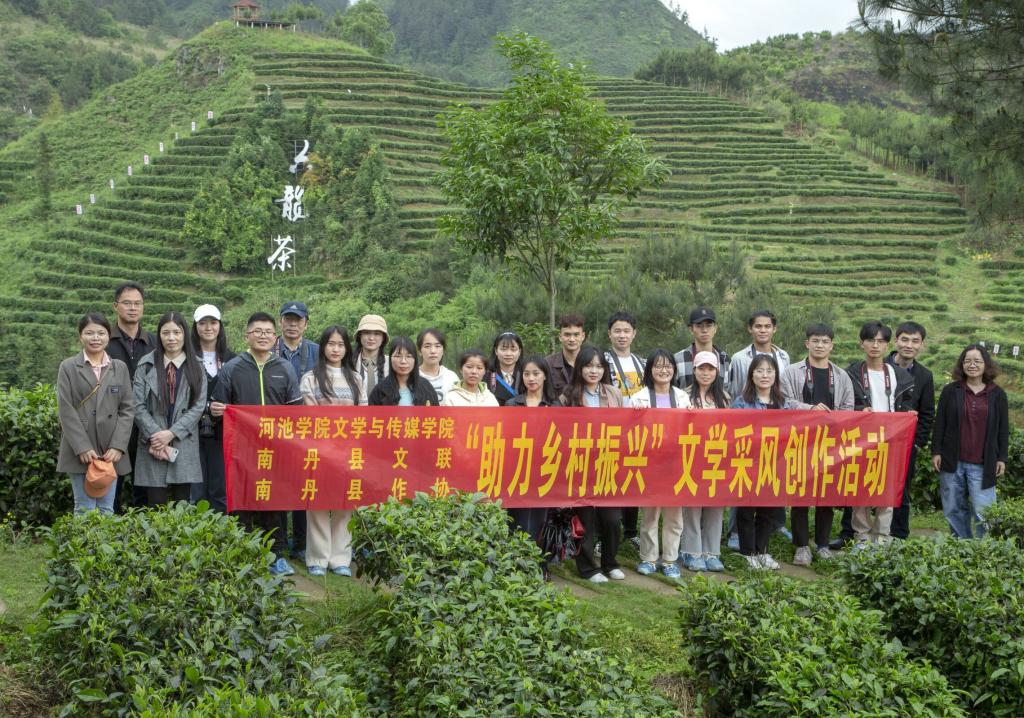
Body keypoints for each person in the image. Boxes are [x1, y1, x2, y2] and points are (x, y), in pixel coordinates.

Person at [210, 312, 302, 576]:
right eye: (257, 331)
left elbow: (295, 412)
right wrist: (215, 411)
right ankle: (244, 553)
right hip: (243, 450)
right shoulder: (232, 368)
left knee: (275, 500)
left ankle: (277, 555)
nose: (263, 336)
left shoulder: (284, 368)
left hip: (276, 449)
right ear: (246, 336)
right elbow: (218, 407)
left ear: (275, 337)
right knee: (244, 499)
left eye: (268, 332)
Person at [780, 323, 855, 565]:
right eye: (815, 341)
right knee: (800, 497)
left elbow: (848, 409)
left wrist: (833, 418)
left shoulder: (841, 376)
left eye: (825, 342)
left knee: (827, 496)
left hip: (831, 444)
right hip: (800, 442)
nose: (820, 345)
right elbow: (784, 402)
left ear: (831, 345)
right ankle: (801, 546)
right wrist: (809, 409)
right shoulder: (792, 372)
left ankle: (823, 544)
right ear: (807, 343)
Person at [842, 321, 914, 548]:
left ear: (887, 345)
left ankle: (882, 537)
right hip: (861, 440)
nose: (875, 345)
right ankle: (862, 536)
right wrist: (859, 411)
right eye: (870, 340)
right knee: (860, 489)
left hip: (891, 440)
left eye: (880, 341)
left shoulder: (899, 375)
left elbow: (905, 405)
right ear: (861, 344)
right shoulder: (851, 373)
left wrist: (908, 415)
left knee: (887, 490)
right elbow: (844, 406)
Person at [558, 345, 628, 584]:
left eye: (598, 366)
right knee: (585, 518)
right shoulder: (568, 396)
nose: (594, 371)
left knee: (612, 519)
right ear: (580, 368)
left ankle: (610, 563)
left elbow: (625, 424)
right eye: (589, 366)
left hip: (608, 463)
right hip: (580, 465)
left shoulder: (613, 393)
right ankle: (588, 567)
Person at [299, 326, 363, 577]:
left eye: (340, 344)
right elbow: (310, 415)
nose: (335, 349)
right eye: (331, 344)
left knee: (345, 503)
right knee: (316, 502)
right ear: (323, 346)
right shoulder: (310, 378)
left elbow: (363, 417)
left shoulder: (356, 379)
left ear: (347, 348)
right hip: (320, 450)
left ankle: (340, 558)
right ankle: (317, 557)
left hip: (348, 451)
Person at [56, 313, 134, 514]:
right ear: (80, 336)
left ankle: (102, 540)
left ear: (108, 336)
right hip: (81, 449)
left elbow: (127, 409)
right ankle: (84, 540)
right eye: (89, 333)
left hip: (110, 450)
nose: (95, 338)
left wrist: (118, 446)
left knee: (107, 508)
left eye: (101, 333)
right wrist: (82, 447)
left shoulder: (119, 368)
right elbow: (66, 409)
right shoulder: (68, 367)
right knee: (84, 508)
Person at [932, 344, 1009, 539]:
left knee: (985, 512)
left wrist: (1002, 457)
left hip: (983, 463)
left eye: (977, 361)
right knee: (954, 509)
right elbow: (940, 423)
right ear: (962, 364)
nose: (972, 365)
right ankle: (962, 546)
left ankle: (984, 549)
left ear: (986, 364)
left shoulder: (997, 394)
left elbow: (1003, 429)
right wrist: (936, 451)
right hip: (952, 460)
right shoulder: (951, 391)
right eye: (967, 361)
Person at [132, 312, 207, 506]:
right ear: (159, 335)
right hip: (153, 443)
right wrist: (156, 435)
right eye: (166, 333)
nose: (171, 338)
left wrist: (172, 433)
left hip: (184, 441)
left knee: (182, 504)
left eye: (177, 332)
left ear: (184, 334)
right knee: (155, 504)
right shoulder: (146, 364)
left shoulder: (196, 366)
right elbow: (137, 405)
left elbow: (198, 406)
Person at [731, 354, 796, 570]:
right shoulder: (741, 402)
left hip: (774, 463)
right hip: (748, 462)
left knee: (768, 510)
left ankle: (763, 551)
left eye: (769, 371)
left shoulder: (783, 403)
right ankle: (748, 552)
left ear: (776, 374)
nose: (764, 375)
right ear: (752, 375)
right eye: (759, 371)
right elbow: (734, 432)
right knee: (746, 509)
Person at [630, 349, 691, 578]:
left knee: (674, 515)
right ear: (650, 370)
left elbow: (691, 429)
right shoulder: (639, 397)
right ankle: (648, 558)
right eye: (658, 366)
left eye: (667, 366)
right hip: (650, 463)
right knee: (650, 514)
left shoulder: (683, 398)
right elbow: (629, 432)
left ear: (674, 369)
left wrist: (692, 415)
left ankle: (670, 560)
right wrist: (635, 415)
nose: (663, 370)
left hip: (676, 463)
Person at [505, 354, 560, 572]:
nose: (531, 378)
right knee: (517, 519)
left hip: (544, 471)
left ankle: (539, 566)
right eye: (526, 374)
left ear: (545, 375)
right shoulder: (512, 404)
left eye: (536, 373)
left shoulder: (555, 406)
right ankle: (516, 566)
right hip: (517, 470)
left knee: (540, 520)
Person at [273, 301, 318, 563]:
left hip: (308, 430)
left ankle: (301, 543)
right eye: (288, 319)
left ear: (305, 324)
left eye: (297, 320)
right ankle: (279, 541)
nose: (292, 324)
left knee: (305, 485)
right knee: (277, 485)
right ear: (280, 322)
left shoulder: (316, 351)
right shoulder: (269, 348)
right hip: (275, 429)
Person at [107, 281, 157, 510]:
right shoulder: (104, 341)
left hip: (146, 425)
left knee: (145, 491)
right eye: (127, 303)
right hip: (113, 425)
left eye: (138, 303)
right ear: (115, 306)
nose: (133, 308)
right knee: (111, 486)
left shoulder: (154, 343)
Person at [681, 351, 729, 572]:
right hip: (691, 458)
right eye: (702, 368)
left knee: (715, 506)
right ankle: (691, 551)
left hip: (717, 458)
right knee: (691, 506)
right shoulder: (683, 396)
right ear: (694, 370)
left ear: (717, 371)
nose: (706, 373)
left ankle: (712, 552)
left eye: (710, 369)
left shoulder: (724, 398)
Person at [886, 321, 935, 539]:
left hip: (905, 444)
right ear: (895, 341)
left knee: (901, 488)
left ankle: (898, 534)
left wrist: (916, 443)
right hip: (874, 439)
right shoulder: (879, 366)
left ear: (922, 345)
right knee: (863, 485)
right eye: (904, 339)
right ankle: (851, 533)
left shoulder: (925, 375)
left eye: (915, 341)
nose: (909, 345)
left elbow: (927, 414)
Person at [604, 311, 646, 549]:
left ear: (634, 334)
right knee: (610, 479)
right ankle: (605, 534)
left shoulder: (642, 363)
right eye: (617, 331)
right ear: (609, 334)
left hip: (638, 430)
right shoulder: (603, 360)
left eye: (626, 331)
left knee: (633, 478)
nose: (622, 335)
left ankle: (630, 531)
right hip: (611, 429)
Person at [190, 304, 236, 512]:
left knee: (221, 488)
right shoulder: (187, 358)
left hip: (223, 432)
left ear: (220, 326)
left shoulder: (232, 360)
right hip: (191, 432)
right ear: (195, 327)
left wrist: (227, 408)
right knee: (195, 489)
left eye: (213, 322)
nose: (208, 328)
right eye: (202, 323)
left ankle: (221, 529)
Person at [727, 310, 791, 399]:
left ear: (774, 329)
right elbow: (733, 391)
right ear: (750, 329)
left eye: (767, 326)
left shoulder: (783, 356)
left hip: (778, 406)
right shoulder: (739, 359)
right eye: (758, 326)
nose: (763, 330)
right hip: (747, 406)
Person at [368, 337, 440, 406]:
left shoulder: (426, 387)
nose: (403, 361)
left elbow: (436, 413)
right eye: (398, 356)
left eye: (408, 356)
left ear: (415, 360)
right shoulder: (379, 391)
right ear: (390, 359)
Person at [674, 306, 731, 391]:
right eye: (699, 326)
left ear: (715, 328)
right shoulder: (678, 359)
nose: (704, 330)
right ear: (691, 329)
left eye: (709, 325)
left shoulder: (725, 359)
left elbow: (729, 392)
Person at [546, 314, 586, 398]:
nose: (572, 339)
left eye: (576, 334)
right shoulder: (548, 364)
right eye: (567, 335)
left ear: (583, 336)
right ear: (560, 337)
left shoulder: (591, 363)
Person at [417, 328, 459, 403]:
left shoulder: (452, 378)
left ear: (443, 351)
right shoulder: (412, 377)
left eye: (437, 346)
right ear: (419, 351)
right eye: (427, 346)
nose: (433, 351)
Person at [354, 314, 389, 396]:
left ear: (383, 338)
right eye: (366, 333)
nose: (371, 338)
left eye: (377, 333)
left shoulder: (391, 364)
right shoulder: (349, 363)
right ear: (360, 335)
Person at [486, 331, 524, 406]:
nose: (508, 354)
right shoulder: (486, 376)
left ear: (519, 352)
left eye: (513, 349)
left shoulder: (525, 375)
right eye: (503, 349)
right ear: (496, 351)